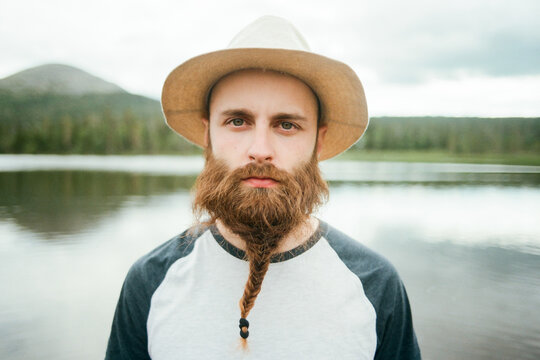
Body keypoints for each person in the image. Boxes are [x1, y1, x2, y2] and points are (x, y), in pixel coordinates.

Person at [105, 16, 421, 360]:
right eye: (237, 121)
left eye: (286, 124)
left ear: (319, 140)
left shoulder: (374, 285)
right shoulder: (151, 282)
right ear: (208, 134)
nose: (260, 149)